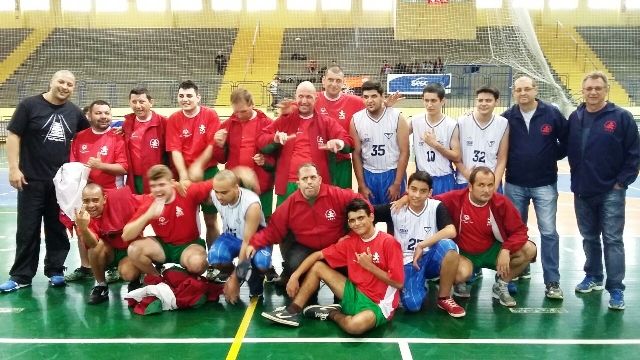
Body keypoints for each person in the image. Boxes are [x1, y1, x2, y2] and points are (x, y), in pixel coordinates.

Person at [0, 70, 90, 292]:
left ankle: (56, 270)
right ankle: (21, 275)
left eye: (69, 84)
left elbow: (89, 136)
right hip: (31, 180)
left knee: (57, 228)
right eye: (61, 81)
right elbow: (13, 136)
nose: (64, 87)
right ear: (51, 82)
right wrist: (14, 168)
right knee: (27, 229)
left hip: (61, 183)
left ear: (73, 88)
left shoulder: (74, 112)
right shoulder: (29, 105)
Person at [260, 198, 404, 334]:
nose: (357, 223)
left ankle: (331, 313)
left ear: (371, 217)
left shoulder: (388, 243)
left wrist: (370, 266)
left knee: (355, 327)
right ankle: (292, 311)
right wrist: (295, 276)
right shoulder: (350, 243)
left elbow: (398, 283)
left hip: (377, 304)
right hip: (354, 292)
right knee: (318, 267)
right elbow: (317, 256)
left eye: (361, 218)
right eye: (352, 220)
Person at [567, 71, 639, 310]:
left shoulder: (621, 117)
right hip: (582, 189)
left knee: (612, 239)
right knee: (589, 238)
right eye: (589, 88)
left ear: (606, 90)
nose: (593, 92)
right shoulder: (575, 117)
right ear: (583, 91)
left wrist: (622, 182)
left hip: (611, 190)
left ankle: (616, 288)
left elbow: (634, 153)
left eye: (598, 88)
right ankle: (594, 276)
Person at [502, 76, 568, 299]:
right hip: (514, 183)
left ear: (535, 90)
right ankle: (520, 269)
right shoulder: (507, 118)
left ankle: (552, 281)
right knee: (514, 232)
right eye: (518, 90)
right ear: (513, 92)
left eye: (527, 89)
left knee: (548, 232)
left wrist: (550, 155)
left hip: (545, 183)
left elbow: (566, 141)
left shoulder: (551, 114)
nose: (523, 93)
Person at [245, 163, 366, 284]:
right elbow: (273, 230)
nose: (309, 182)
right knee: (294, 263)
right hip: (305, 248)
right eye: (304, 178)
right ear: (298, 183)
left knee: (350, 273)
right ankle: (292, 275)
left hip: (336, 246)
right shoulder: (289, 205)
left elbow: (365, 207)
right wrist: (254, 244)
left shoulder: (337, 195)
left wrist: (351, 237)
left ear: (319, 180)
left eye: (313, 177)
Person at [433, 167, 537, 307]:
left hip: (491, 251)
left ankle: (501, 285)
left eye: (490, 185)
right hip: (464, 253)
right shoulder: (456, 198)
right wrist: (406, 197)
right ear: (470, 186)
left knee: (529, 249)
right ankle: (458, 283)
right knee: (460, 274)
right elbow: (427, 201)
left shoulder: (501, 203)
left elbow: (520, 231)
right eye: (481, 185)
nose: (487, 190)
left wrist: (506, 249)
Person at [375, 171, 465, 317]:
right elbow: (368, 212)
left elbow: (451, 230)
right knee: (413, 305)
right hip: (407, 262)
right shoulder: (395, 208)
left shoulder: (436, 206)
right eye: (413, 189)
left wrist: (422, 245)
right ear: (407, 189)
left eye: (423, 191)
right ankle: (418, 284)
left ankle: (444, 297)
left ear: (430, 193)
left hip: (430, 256)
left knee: (448, 245)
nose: (417, 195)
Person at [257, 81, 353, 205]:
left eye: (308, 97)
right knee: (285, 222)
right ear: (295, 97)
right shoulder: (284, 121)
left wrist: (338, 143)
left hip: (317, 185)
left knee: (317, 222)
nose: (304, 101)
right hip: (289, 184)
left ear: (316, 98)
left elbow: (348, 141)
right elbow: (261, 140)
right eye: (301, 96)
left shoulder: (326, 122)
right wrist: (274, 139)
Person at [65, 100, 128, 283]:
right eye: (99, 113)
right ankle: (86, 268)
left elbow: (124, 167)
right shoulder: (79, 137)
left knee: (113, 231)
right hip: (85, 195)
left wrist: (101, 166)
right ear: (89, 116)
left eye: (107, 113)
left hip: (111, 193)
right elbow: (73, 167)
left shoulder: (117, 137)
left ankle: (114, 267)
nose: (104, 117)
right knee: (82, 228)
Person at [454, 85, 509, 283]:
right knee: (466, 229)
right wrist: (469, 176)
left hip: (491, 184)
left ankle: (502, 273)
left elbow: (502, 157)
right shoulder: (462, 121)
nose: (484, 103)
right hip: (465, 182)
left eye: (488, 100)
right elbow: (456, 156)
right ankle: (470, 267)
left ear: (496, 102)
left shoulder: (503, 123)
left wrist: (495, 183)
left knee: (495, 228)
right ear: (475, 102)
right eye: (480, 100)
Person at [122, 165, 210, 277]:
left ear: (172, 183)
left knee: (197, 264)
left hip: (189, 245)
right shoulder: (150, 203)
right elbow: (126, 235)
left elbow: (215, 183)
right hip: (163, 246)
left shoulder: (186, 191)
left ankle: (183, 275)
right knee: (133, 250)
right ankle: (158, 280)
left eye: (162, 184)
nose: (157, 190)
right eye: (153, 186)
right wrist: (147, 216)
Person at [166, 80, 221, 248]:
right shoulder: (174, 119)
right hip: (183, 174)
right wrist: (183, 176)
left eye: (189, 95)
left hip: (208, 173)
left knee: (211, 220)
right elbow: (175, 149)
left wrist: (198, 165)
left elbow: (213, 144)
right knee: (186, 221)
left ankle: (214, 260)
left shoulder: (210, 114)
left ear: (198, 97)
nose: (185, 99)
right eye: (181, 96)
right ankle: (190, 259)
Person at [206, 170, 272, 303]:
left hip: (254, 239)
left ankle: (249, 277)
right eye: (216, 191)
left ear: (236, 187)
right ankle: (237, 274)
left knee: (262, 265)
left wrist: (235, 279)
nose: (219, 197)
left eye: (224, 192)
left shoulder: (251, 204)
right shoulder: (214, 194)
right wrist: (234, 276)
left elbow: (247, 242)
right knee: (215, 258)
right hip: (231, 236)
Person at [213, 89, 275, 220]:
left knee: (263, 223)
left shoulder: (268, 124)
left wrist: (265, 160)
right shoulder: (227, 125)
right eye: (236, 112)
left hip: (261, 184)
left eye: (243, 111)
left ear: (252, 104)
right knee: (235, 221)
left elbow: (277, 155)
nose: (239, 116)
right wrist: (219, 145)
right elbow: (221, 159)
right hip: (235, 185)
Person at [74, 184, 141, 304]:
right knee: (95, 247)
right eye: (86, 201)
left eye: (95, 200)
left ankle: (136, 279)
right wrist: (83, 229)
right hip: (108, 252)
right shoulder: (82, 217)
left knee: (128, 274)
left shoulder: (122, 200)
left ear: (104, 199)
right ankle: (101, 285)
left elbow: (148, 201)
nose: (91, 205)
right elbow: (92, 243)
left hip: (129, 250)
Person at [351, 81, 410, 213]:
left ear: (382, 97)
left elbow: (405, 152)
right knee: (368, 217)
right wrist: (361, 185)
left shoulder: (397, 117)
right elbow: (356, 155)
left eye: (374, 96)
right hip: (369, 175)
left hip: (392, 173)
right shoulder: (356, 119)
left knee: (395, 219)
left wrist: (397, 183)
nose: (370, 100)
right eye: (366, 97)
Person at [315, 66, 365, 190]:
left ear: (343, 83)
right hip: (316, 160)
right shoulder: (312, 98)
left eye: (338, 80)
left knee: (342, 199)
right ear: (323, 81)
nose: (334, 84)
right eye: (330, 80)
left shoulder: (355, 102)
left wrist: (386, 105)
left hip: (342, 160)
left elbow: (374, 106)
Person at [409, 83, 461, 195]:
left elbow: (456, 156)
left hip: (444, 178)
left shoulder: (451, 125)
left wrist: (435, 144)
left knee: (444, 212)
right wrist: (386, 107)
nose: (429, 105)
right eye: (426, 100)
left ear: (442, 101)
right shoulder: (415, 121)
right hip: (422, 179)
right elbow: (394, 133)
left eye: (433, 101)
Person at [122, 87, 168, 195]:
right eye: (134, 102)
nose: (138, 106)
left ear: (151, 102)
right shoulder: (127, 124)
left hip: (157, 179)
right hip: (134, 178)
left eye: (142, 102)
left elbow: (171, 153)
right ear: (129, 103)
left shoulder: (163, 123)